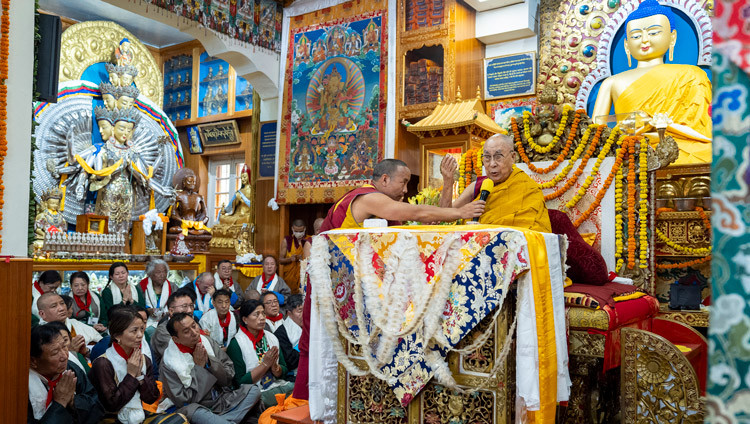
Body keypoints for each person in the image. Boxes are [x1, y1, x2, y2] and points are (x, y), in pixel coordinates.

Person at [293, 158, 484, 400]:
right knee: (323, 346)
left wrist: (448, 184)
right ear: (384, 179)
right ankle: (308, 402)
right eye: (403, 183)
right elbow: (416, 211)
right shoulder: (367, 198)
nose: (406, 190)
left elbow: (432, 223)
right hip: (335, 287)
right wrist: (459, 212)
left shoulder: (383, 206)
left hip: (364, 293)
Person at [591, 0, 711, 164]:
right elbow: (595, 135)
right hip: (632, 151)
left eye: (654, 33)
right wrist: (635, 128)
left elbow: (703, 131)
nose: (644, 40)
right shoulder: (612, 83)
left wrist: (663, 127)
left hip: (679, 149)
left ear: (672, 37)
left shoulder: (692, 75)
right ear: (626, 45)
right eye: (636, 36)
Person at [90, 305, 186, 424]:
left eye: (141, 329)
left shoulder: (144, 359)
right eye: (134, 330)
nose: (140, 335)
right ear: (117, 335)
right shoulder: (103, 363)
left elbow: (151, 398)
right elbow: (112, 405)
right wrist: (131, 375)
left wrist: (140, 376)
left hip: (140, 413)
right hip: (111, 418)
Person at [439, 133, 551, 232]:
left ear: (513, 157)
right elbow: (445, 214)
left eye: (498, 157)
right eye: (487, 157)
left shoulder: (528, 188)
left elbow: (535, 233)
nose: (492, 164)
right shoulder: (477, 186)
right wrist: (448, 182)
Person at [161, 312, 261, 423]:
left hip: (222, 399)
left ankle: (223, 421)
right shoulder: (169, 362)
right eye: (186, 331)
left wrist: (209, 362)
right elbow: (183, 400)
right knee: (195, 413)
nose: (194, 332)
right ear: (176, 339)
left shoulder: (207, 341)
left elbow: (229, 375)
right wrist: (199, 368)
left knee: (253, 390)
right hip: (199, 407)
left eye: (194, 326)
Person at [28, 324, 104, 423]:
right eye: (55, 352)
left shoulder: (70, 368)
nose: (65, 356)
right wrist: (60, 402)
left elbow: (98, 408)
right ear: (33, 361)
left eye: (64, 347)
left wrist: (73, 401)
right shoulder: (22, 385)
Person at [226, 300, 294, 407]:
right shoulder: (236, 344)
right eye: (256, 314)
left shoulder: (271, 338)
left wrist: (276, 368)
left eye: (263, 313)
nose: (262, 318)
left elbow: (284, 368)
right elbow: (239, 382)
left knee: (297, 388)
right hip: (253, 391)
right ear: (245, 319)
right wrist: (264, 365)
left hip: (274, 384)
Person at [150, 289, 197, 367]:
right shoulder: (163, 331)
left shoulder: (195, 322)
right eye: (184, 306)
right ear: (171, 311)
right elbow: (178, 357)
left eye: (191, 306)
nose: (189, 310)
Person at [37, 292, 103, 346]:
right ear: (42, 314)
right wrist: (71, 350)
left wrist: (86, 351)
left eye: (62, 303)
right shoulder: (39, 334)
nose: (61, 308)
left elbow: (100, 340)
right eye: (54, 306)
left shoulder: (74, 323)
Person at [101, 262, 146, 327]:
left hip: (136, 323)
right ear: (111, 277)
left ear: (127, 274)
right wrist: (124, 301)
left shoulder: (135, 289)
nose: (121, 276)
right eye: (117, 274)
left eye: (123, 273)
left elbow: (143, 309)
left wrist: (132, 301)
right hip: (116, 324)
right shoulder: (107, 292)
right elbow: (110, 314)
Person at [138, 259, 178, 331]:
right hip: (146, 321)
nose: (162, 275)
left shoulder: (173, 287)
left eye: (164, 272)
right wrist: (148, 311)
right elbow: (137, 307)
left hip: (168, 321)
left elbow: (178, 304)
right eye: (158, 272)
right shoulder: (141, 287)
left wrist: (169, 312)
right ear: (150, 273)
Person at [274, 294, 303, 377]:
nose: (304, 314)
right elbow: (291, 362)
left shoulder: (311, 327)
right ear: (289, 313)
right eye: (300, 311)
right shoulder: (281, 333)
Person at [279, 219, 310, 293]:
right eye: (296, 231)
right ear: (292, 229)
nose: (298, 233)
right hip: (290, 279)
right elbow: (280, 260)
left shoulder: (309, 240)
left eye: (301, 231)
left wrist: (303, 258)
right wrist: (290, 259)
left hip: (304, 276)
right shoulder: (287, 241)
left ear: (305, 228)